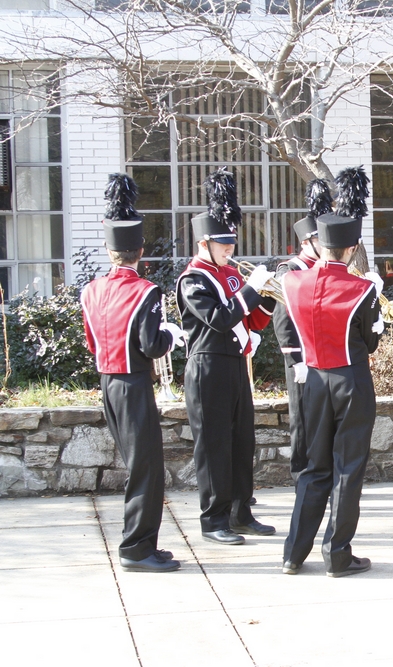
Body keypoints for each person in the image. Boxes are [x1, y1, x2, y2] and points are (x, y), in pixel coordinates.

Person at [81, 173, 185, 573]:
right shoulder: (146, 291)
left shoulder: (90, 290)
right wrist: (171, 335)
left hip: (108, 381)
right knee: (146, 469)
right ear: (140, 250)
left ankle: (141, 543)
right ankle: (136, 547)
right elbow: (152, 345)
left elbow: (92, 341)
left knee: (136, 464)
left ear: (111, 253)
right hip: (134, 382)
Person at [176, 168, 276, 545]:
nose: (229, 250)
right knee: (214, 445)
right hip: (206, 365)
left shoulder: (233, 275)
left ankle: (239, 513)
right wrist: (250, 289)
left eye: (231, 244)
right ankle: (212, 519)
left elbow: (253, 320)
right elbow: (220, 318)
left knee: (241, 441)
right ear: (204, 243)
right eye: (222, 245)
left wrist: (265, 294)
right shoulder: (193, 280)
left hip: (235, 365)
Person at [280, 211, 383, 577]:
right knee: (347, 468)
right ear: (352, 248)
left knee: (313, 468)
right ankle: (337, 554)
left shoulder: (292, 282)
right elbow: (371, 343)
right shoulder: (363, 289)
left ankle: (294, 552)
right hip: (351, 380)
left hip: (314, 383)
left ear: (320, 244)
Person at [272, 179, 327, 478]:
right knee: (303, 418)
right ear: (306, 241)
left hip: (326, 352)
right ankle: (301, 473)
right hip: (302, 356)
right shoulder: (290, 269)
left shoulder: (326, 267)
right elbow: (283, 318)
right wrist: (295, 358)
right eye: (319, 239)